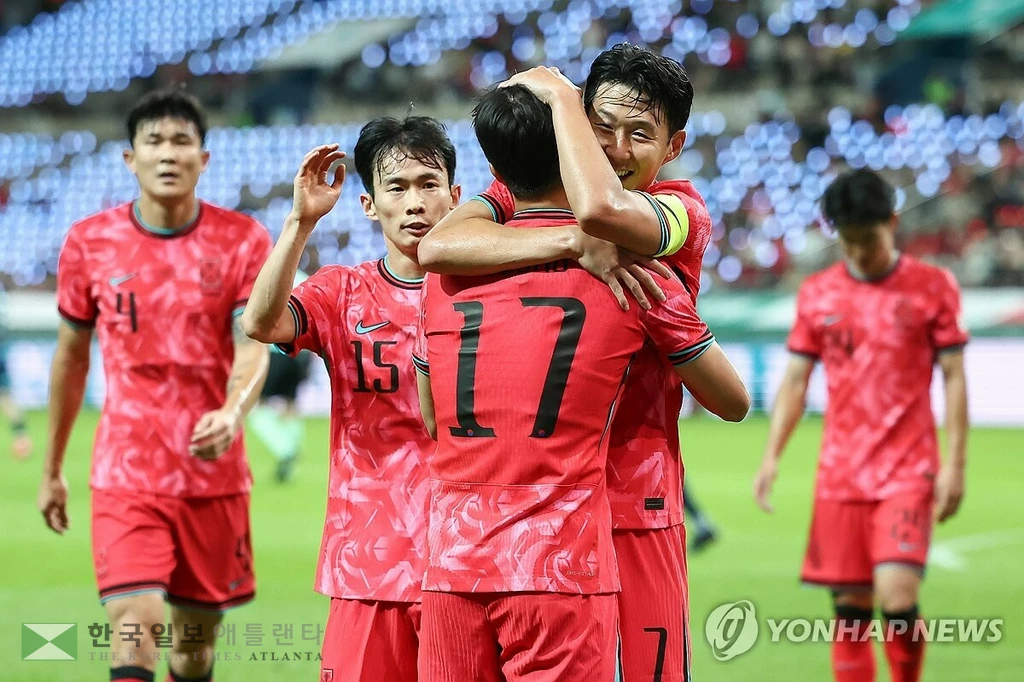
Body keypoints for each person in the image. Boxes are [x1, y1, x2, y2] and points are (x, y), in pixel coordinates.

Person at [413, 83, 749, 682]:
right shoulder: (636, 276)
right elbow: (732, 401)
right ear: (571, 139)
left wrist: (561, 107)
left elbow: (595, 212)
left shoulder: (676, 211)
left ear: (674, 147)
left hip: (558, 520)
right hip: (567, 531)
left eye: (638, 134)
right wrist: (571, 239)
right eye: (599, 128)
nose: (615, 149)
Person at [38, 88, 272, 682]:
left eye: (182, 141)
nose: (168, 153)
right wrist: (52, 468)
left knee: (194, 652)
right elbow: (71, 360)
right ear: (129, 158)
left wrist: (232, 411)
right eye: (154, 141)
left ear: (204, 158)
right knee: (133, 630)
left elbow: (253, 344)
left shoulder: (243, 240)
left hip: (212, 473)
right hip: (127, 471)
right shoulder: (89, 243)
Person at [240, 117, 460, 682]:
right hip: (368, 565)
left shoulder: (492, 293)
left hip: (468, 565)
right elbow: (261, 322)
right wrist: (300, 220)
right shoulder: (341, 292)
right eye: (397, 187)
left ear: (455, 196)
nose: (415, 201)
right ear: (368, 204)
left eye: (428, 183)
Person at [753, 168, 969, 682]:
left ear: (893, 222)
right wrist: (771, 457)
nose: (858, 253)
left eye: (867, 240)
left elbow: (955, 379)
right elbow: (796, 383)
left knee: (897, 601)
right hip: (840, 476)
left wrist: (955, 464)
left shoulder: (932, 288)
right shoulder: (817, 294)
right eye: (848, 242)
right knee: (850, 615)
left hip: (907, 470)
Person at [247, 269, 313, 483]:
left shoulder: (269, 277)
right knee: (291, 404)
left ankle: (284, 447)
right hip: (301, 353)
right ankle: (294, 446)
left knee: (257, 406)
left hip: (276, 351)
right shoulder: (305, 279)